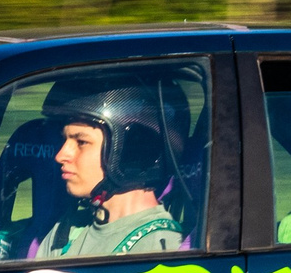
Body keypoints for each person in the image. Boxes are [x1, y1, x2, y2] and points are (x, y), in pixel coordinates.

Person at [25, 76, 190, 259]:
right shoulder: (66, 232)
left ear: (133, 152)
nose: (60, 156)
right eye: (65, 139)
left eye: (81, 142)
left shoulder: (158, 248)